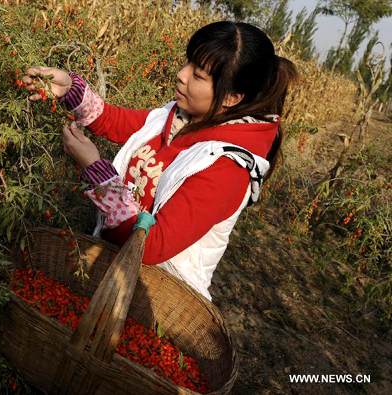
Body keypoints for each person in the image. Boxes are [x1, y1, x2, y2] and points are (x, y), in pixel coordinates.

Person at [21, 21, 297, 301]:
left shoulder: (228, 167)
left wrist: (97, 173)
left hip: (154, 295)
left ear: (231, 97)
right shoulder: (181, 117)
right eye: (188, 62)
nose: (181, 75)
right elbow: (116, 121)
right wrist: (69, 91)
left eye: (198, 75)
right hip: (119, 272)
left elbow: (151, 245)